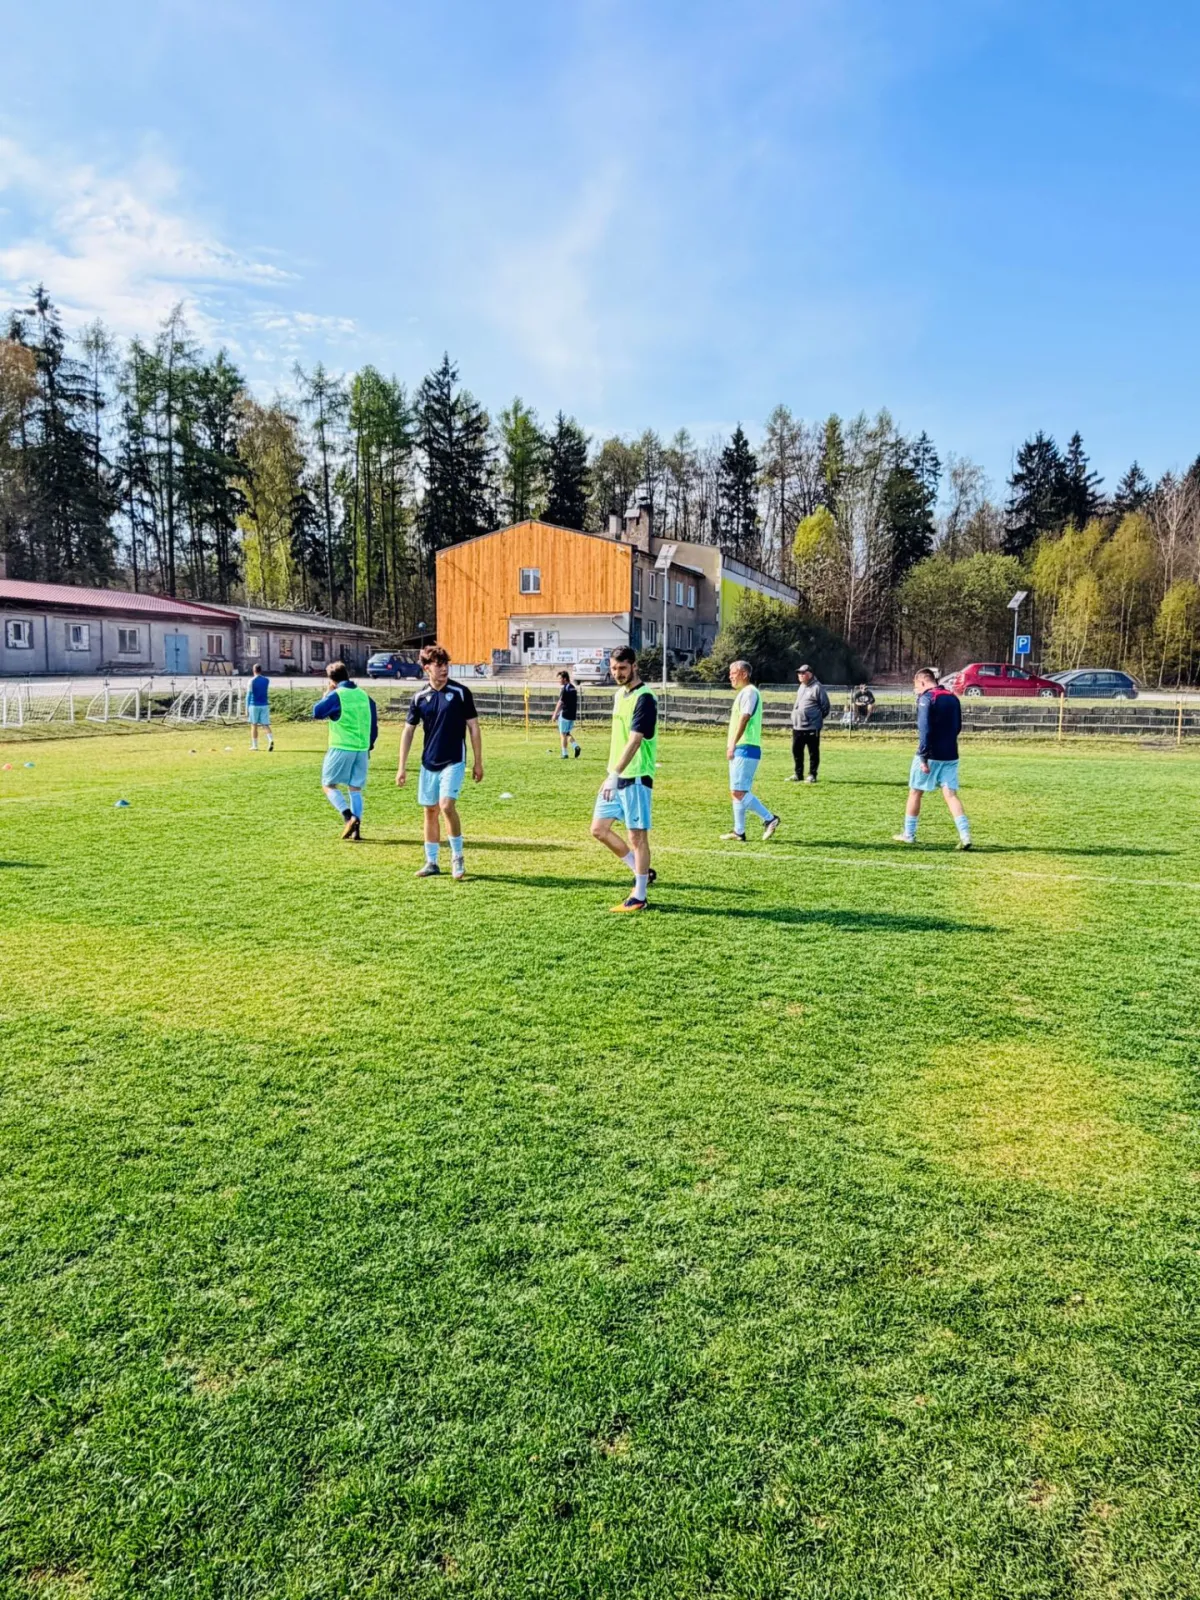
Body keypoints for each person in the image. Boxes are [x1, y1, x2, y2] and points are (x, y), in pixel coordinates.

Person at [397, 644, 483, 881]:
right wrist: (401, 767)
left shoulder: (460, 692)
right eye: (439, 665)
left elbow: (474, 727)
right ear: (427, 668)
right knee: (430, 811)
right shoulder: (419, 697)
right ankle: (432, 862)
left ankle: (457, 857)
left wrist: (478, 762)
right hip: (428, 762)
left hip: (454, 759)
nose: (444, 669)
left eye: (446, 664)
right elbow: (408, 731)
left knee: (446, 806)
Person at [590, 644, 658, 912]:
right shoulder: (620, 695)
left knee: (637, 837)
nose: (618, 673)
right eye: (614, 668)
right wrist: (611, 775)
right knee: (599, 829)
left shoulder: (645, 698)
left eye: (622, 668)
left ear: (634, 666)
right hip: (616, 776)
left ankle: (639, 896)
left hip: (636, 776)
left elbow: (635, 740)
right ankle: (641, 871)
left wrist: (614, 774)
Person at [893, 668, 972, 850]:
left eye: (917, 686)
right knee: (951, 795)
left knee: (915, 792)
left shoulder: (927, 698)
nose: (917, 691)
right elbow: (958, 727)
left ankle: (909, 834)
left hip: (931, 754)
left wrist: (923, 757)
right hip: (951, 753)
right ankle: (965, 835)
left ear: (922, 682)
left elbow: (925, 729)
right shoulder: (952, 697)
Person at [313, 661, 377, 840]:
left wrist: (328, 693)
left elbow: (317, 712)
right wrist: (370, 744)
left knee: (328, 784)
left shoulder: (337, 695)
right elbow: (373, 722)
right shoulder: (364, 695)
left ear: (331, 680)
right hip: (362, 748)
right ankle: (357, 831)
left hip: (341, 746)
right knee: (355, 788)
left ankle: (348, 817)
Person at [721, 660, 780, 842]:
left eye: (733, 673)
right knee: (736, 791)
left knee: (739, 791)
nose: (730, 676)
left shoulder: (750, 692)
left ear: (744, 674)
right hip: (742, 747)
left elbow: (745, 718)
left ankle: (769, 818)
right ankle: (739, 831)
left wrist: (733, 743)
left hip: (746, 747)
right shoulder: (744, 693)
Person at [789, 664, 830, 782]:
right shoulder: (801, 686)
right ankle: (798, 774)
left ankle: (812, 774)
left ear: (810, 674)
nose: (800, 675)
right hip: (798, 726)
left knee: (813, 752)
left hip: (811, 727)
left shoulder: (817, 687)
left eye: (803, 673)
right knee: (796, 751)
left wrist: (815, 719)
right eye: (799, 673)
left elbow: (825, 707)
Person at [550, 670, 582, 759]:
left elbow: (560, 702)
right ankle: (576, 746)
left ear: (564, 679)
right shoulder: (573, 688)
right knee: (567, 733)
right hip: (572, 715)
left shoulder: (565, 689)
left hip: (565, 714)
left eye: (560, 678)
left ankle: (564, 754)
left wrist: (555, 714)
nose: (559, 680)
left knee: (562, 734)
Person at [246, 662, 273, 751]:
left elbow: (248, 695)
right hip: (264, 705)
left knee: (254, 725)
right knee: (265, 724)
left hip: (254, 705)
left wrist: (246, 707)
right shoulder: (266, 680)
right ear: (261, 670)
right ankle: (270, 740)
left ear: (253, 670)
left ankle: (255, 746)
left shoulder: (251, 681)